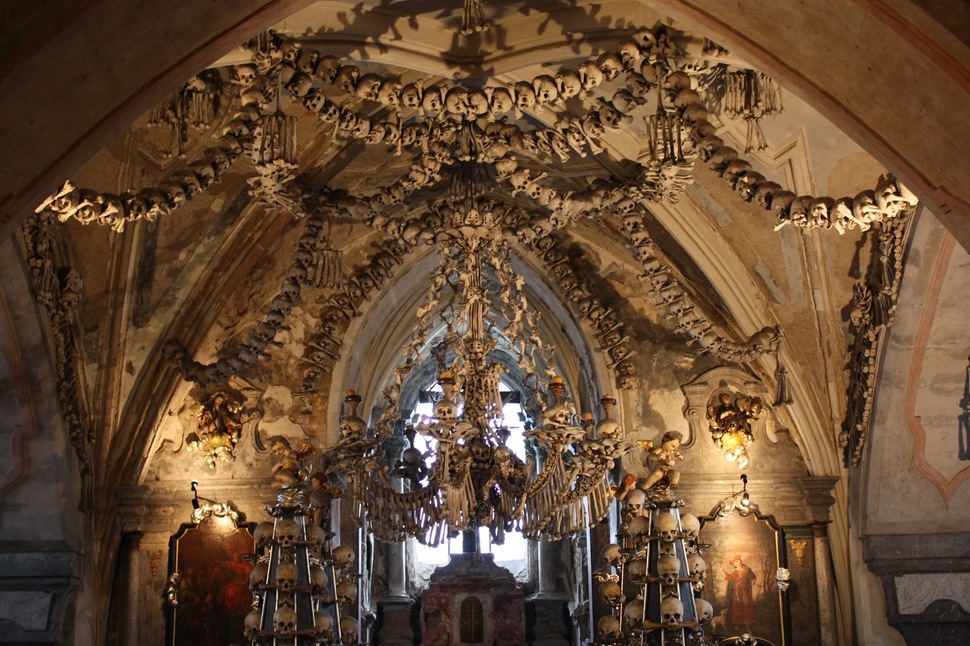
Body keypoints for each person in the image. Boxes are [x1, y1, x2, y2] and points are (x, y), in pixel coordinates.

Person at [723, 554, 757, 633]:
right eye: (734, 563)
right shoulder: (733, 571)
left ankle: (747, 624)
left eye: (737, 561)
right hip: (736, 591)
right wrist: (722, 570)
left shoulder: (747, 569)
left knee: (746, 605)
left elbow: (752, 577)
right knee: (737, 605)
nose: (736, 563)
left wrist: (753, 581)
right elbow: (728, 577)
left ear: (740, 561)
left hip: (745, 590)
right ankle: (738, 623)